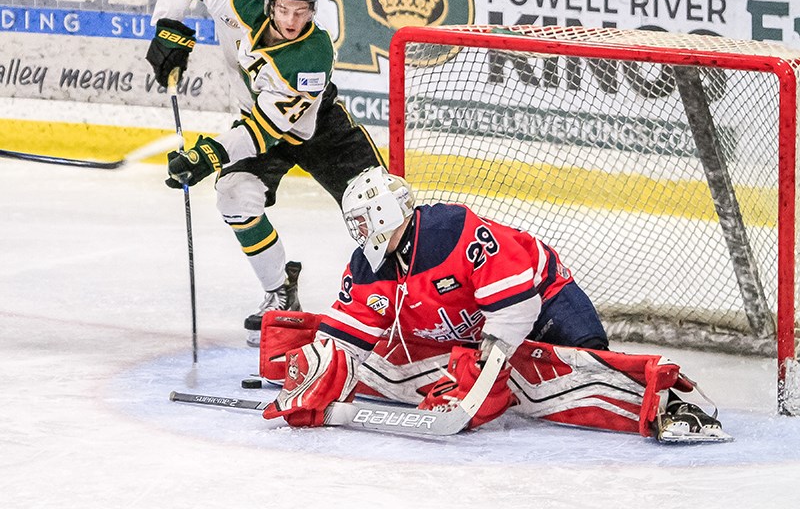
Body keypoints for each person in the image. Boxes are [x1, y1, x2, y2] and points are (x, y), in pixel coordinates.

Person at [259, 166, 731, 442]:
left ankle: (670, 407)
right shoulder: (368, 265)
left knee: (584, 360)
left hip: (543, 301)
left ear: (384, 214)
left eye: (363, 221)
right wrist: (313, 377)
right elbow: (346, 335)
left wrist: (491, 357)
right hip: (473, 328)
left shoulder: (451, 232)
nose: (358, 232)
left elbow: (517, 308)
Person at [146, 0, 384, 346]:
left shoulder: (311, 56)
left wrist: (208, 156)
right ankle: (280, 291)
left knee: (381, 207)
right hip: (252, 119)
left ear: (313, 10)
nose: (291, 20)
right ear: (270, 1)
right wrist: (168, 26)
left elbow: (266, 131)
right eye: (284, 9)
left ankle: (403, 301)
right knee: (235, 196)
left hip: (319, 130)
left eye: (302, 11)